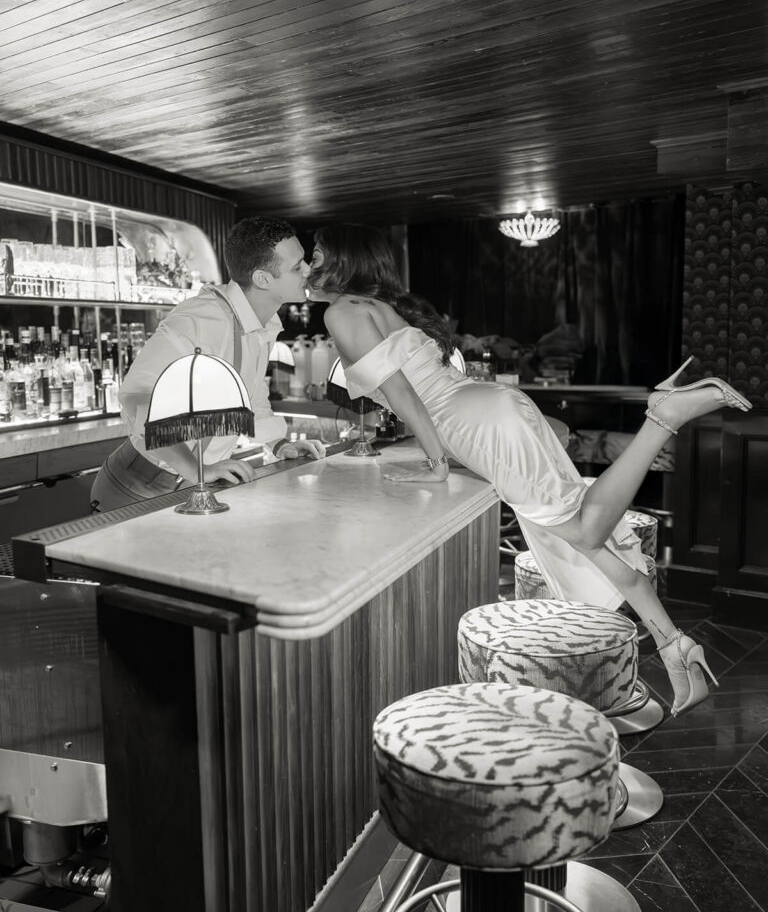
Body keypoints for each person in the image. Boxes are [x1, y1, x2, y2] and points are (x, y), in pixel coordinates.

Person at [307, 223, 753, 718]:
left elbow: (404, 394)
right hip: (493, 405)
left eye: (318, 253)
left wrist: (437, 464)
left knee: (585, 531)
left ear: (342, 260)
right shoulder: (378, 307)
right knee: (590, 540)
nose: (311, 262)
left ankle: (661, 417)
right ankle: (676, 647)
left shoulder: (340, 312)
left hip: (472, 423)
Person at [90, 216, 326, 512]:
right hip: (138, 485)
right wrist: (196, 469)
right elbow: (139, 398)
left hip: (189, 484)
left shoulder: (262, 323)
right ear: (262, 279)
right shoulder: (202, 318)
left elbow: (250, 394)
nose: (308, 270)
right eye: (297, 265)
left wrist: (279, 443)